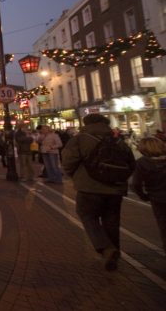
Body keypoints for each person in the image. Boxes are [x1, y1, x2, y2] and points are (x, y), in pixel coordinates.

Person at [62, 113, 136, 271]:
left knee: (87, 215)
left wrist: (74, 176)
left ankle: (106, 249)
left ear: (86, 123)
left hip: (89, 187)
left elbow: (68, 161)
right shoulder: (117, 139)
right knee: (112, 220)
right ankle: (114, 252)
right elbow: (131, 163)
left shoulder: (81, 139)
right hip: (116, 188)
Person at [130, 137, 166, 251]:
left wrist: (143, 196)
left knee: (163, 222)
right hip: (158, 196)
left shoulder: (142, 163)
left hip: (157, 197)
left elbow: (135, 184)